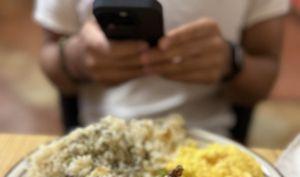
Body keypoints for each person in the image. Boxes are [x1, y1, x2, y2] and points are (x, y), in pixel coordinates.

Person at [34, 0, 289, 136]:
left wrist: (231, 62)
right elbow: (49, 55)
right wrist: (75, 59)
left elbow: (263, 79)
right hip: (97, 136)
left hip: (207, 142)